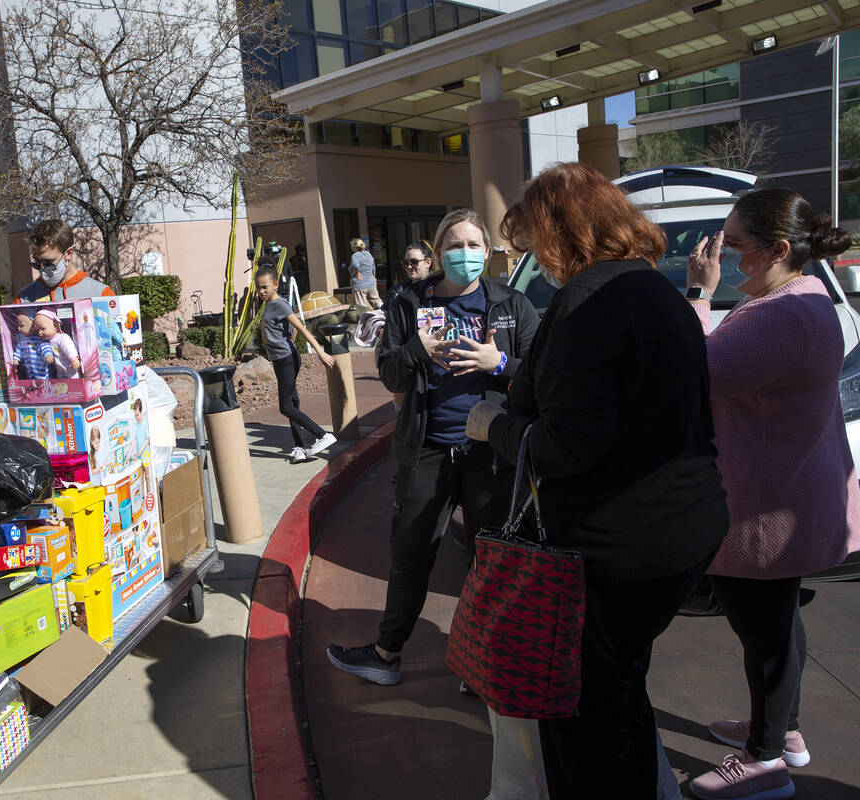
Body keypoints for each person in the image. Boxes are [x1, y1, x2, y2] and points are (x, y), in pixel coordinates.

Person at [463, 163, 729, 799]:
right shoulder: (655, 289)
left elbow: (564, 445)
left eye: (535, 244)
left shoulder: (588, 303)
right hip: (680, 530)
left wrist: (490, 426)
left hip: (616, 546)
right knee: (619, 690)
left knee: (581, 718)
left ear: (561, 234)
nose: (538, 262)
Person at [683, 189, 860, 800]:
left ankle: (764, 762)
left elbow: (691, 372)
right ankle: (781, 730)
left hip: (764, 506)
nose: (721, 254)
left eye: (733, 245)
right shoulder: (801, 299)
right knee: (777, 626)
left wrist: (699, 295)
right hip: (783, 492)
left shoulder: (780, 316)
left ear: (780, 250)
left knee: (765, 634)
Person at [326, 208, 539, 686]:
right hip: (428, 449)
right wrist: (418, 348)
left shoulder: (510, 304)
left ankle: (479, 657)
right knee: (411, 553)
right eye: (456, 245)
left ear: (488, 250)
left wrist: (498, 360)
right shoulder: (408, 303)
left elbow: (543, 373)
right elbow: (389, 374)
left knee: (492, 559)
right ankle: (385, 654)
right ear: (439, 251)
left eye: (474, 245)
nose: (466, 254)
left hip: (492, 453)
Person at [254, 264, 337, 463]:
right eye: (259, 287)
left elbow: (301, 327)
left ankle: (322, 435)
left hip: (286, 359)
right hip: (281, 358)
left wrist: (320, 352)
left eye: (265, 286)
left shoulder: (280, 304)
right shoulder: (270, 304)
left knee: (285, 407)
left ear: (275, 284)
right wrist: (288, 339)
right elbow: (292, 330)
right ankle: (299, 447)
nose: (261, 291)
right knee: (292, 403)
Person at [17, 219, 114, 302]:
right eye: (37, 264)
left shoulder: (101, 294)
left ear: (68, 253)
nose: (42, 270)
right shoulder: (23, 298)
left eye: (48, 263)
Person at [348, 237, 382, 310]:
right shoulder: (368, 254)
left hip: (359, 284)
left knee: (361, 307)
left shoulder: (355, 255)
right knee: (376, 301)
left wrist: (357, 272)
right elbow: (373, 267)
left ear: (354, 247)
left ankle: (364, 320)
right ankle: (384, 313)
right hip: (371, 282)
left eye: (352, 246)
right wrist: (373, 277)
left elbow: (355, 265)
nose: (351, 248)